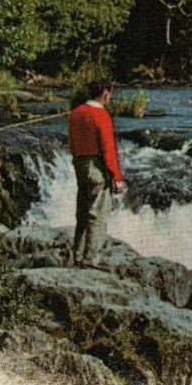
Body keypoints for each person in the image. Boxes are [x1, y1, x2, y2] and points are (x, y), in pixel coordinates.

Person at [67, 80, 126, 266]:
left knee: (83, 213)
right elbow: (108, 149)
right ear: (105, 94)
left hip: (79, 164)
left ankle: (76, 256)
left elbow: (71, 143)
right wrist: (116, 177)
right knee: (98, 213)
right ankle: (91, 258)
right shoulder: (102, 115)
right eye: (110, 95)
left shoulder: (75, 113)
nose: (110, 98)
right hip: (96, 166)